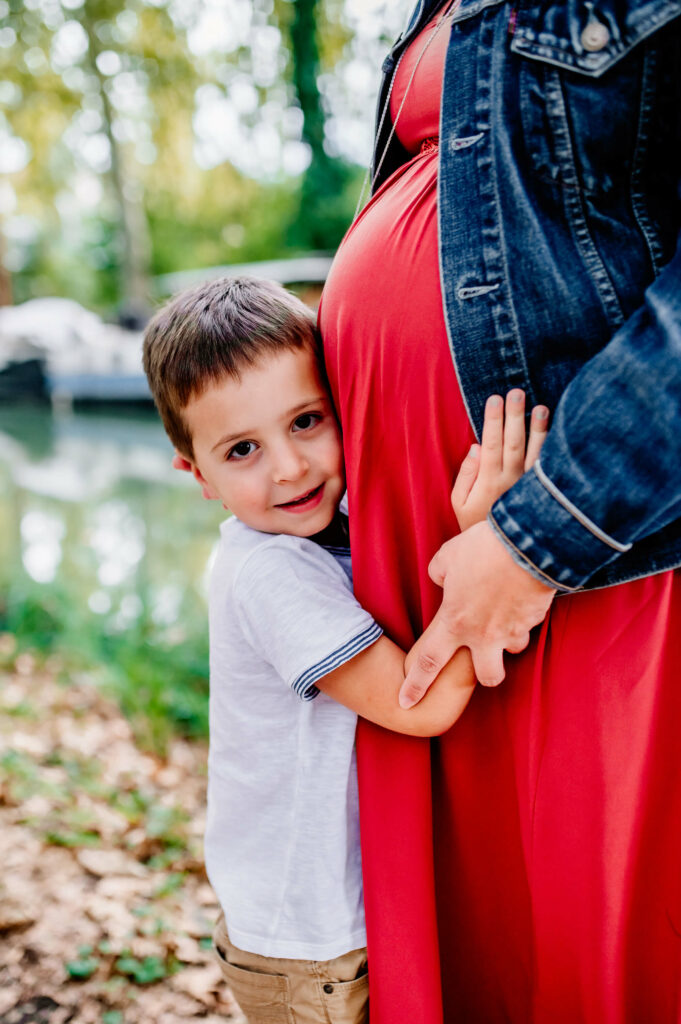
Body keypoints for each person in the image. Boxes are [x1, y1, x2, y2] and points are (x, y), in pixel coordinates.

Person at [319, 0, 681, 1021]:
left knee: (579, 919)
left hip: (590, 537)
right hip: (414, 528)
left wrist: (538, 539)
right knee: (469, 917)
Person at [142, 276, 547, 1024]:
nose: (289, 467)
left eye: (306, 421)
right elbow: (418, 706)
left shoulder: (326, 524)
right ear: (196, 475)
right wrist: (491, 547)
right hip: (306, 947)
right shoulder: (271, 573)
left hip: (329, 920)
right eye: (242, 450)